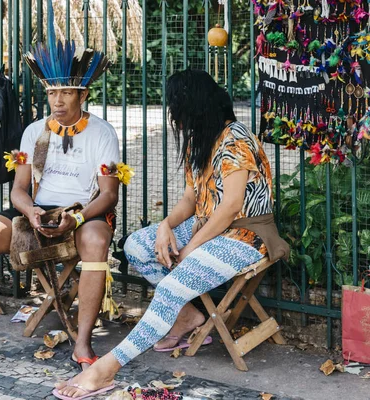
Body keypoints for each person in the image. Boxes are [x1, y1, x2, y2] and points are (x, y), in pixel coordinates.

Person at [52, 69, 289, 399]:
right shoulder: (201, 137)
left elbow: (231, 206)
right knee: (137, 245)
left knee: (172, 287)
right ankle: (188, 315)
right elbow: (192, 198)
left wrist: (190, 246)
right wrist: (165, 226)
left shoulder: (236, 139)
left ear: (193, 105)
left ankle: (106, 367)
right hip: (207, 228)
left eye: (175, 105)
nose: (172, 113)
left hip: (246, 236)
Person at [0, 8, 121, 371]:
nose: (57, 101)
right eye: (52, 92)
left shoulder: (103, 133)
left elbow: (109, 194)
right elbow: (19, 190)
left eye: (66, 92)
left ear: (81, 94)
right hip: (38, 211)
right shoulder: (34, 132)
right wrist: (30, 211)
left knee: (98, 242)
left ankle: (82, 343)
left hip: (84, 214)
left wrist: (78, 216)